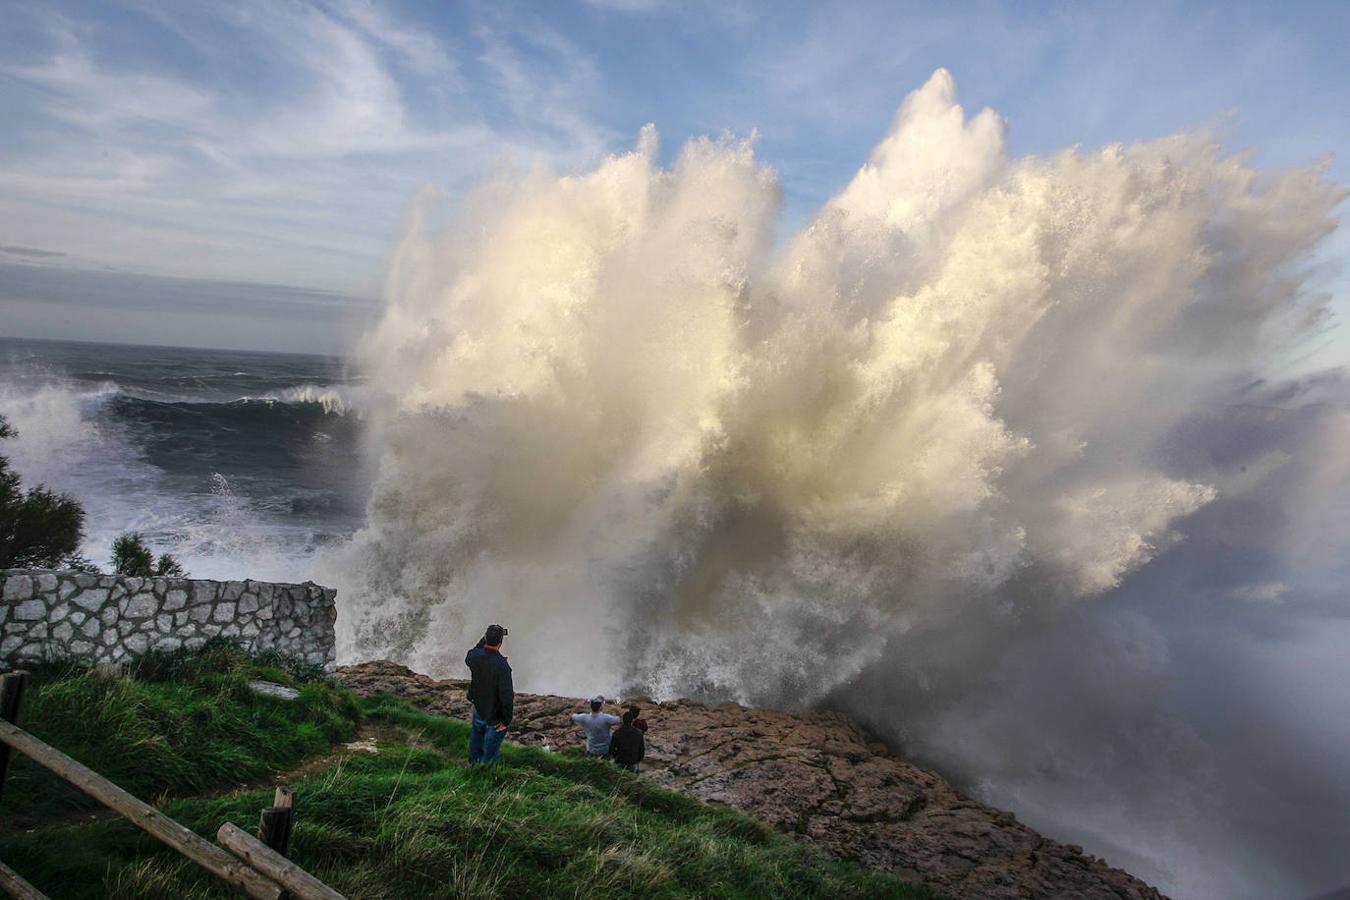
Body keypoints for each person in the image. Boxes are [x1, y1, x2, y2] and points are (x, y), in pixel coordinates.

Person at [464, 624, 513, 764]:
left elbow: (475, 650)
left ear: (485, 638)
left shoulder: (474, 657)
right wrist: (506, 720)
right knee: (490, 752)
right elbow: (507, 697)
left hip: (479, 706)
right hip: (495, 715)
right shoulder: (502, 667)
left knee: (476, 740)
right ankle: (486, 773)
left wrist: (484, 639)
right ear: (500, 642)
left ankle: (473, 766)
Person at [607, 707, 646, 774]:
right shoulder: (639, 733)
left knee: (618, 777)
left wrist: (616, 756)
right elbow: (642, 749)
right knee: (632, 779)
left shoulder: (617, 733)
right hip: (633, 760)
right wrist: (638, 759)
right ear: (632, 721)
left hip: (620, 759)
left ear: (623, 720)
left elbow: (611, 748)